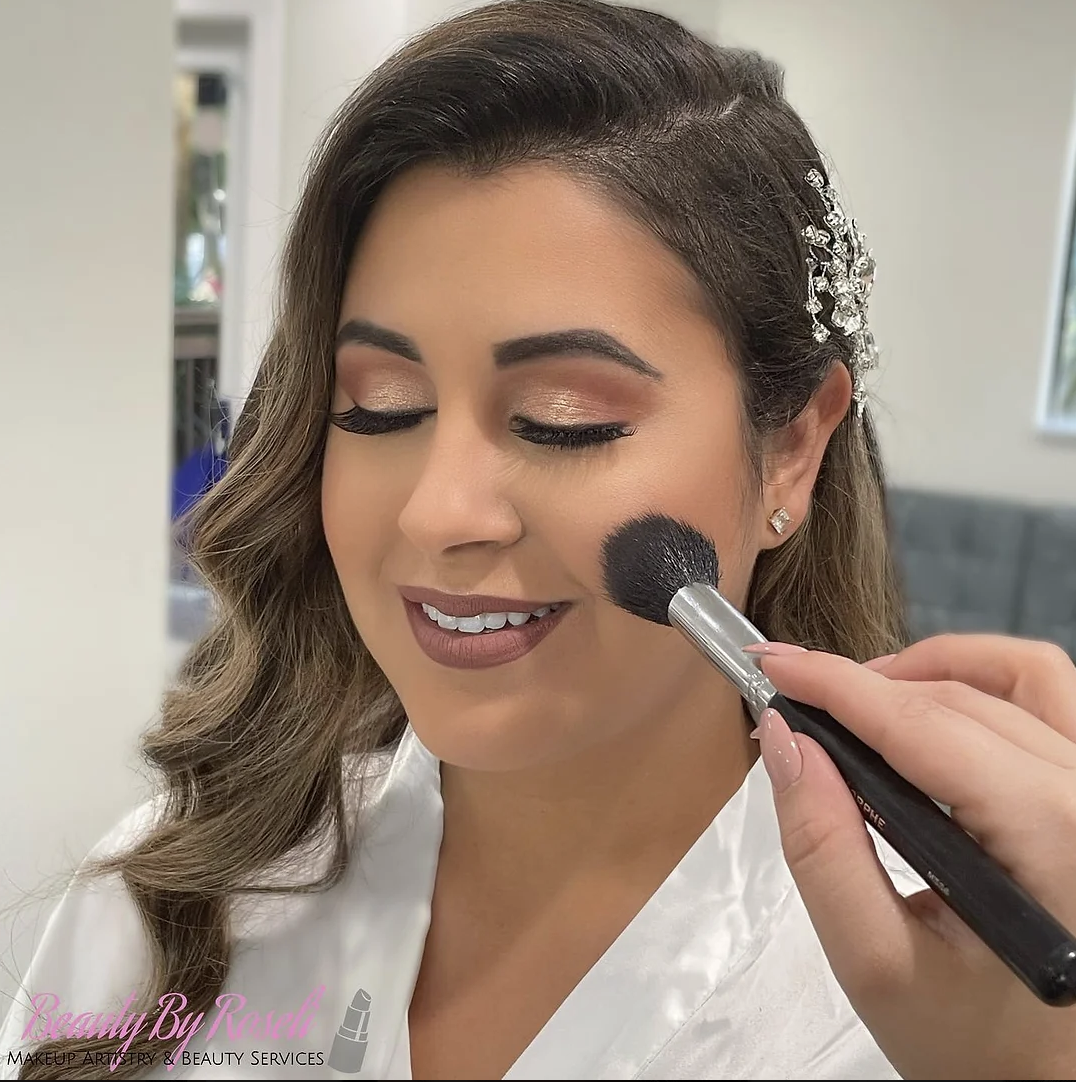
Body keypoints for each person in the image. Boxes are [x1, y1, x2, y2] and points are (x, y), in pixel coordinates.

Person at [2, 2, 1073, 1079]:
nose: (437, 513)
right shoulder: (175, 906)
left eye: (564, 419)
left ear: (792, 447)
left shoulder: (954, 1006)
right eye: (378, 406)